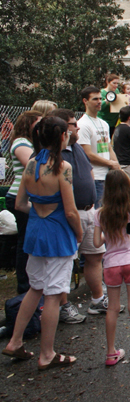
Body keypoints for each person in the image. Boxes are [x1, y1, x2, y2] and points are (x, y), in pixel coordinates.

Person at [1, 116, 81, 370]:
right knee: (54, 295)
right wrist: (78, 233)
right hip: (57, 234)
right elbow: (70, 211)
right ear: (61, 137)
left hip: (36, 231)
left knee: (34, 288)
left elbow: (19, 203)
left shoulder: (31, 165)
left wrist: (38, 212)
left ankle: (15, 341)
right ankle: (47, 353)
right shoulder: (62, 167)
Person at [52, 108, 115, 321]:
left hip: (89, 210)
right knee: (65, 261)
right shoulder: (54, 152)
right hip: (69, 214)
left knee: (95, 256)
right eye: (72, 124)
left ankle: (98, 300)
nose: (77, 127)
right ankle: (62, 306)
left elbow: (88, 172)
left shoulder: (77, 147)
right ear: (62, 127)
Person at [93, 170, 130, 368]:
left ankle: (110, 352)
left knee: (112, 309)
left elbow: (97, 241)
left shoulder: (101, 214)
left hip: (111, 264)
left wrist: (109, 235)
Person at [6, 111, 42, 293]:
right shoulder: (21, 143)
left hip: (29, 196)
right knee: (24, 242)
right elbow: (33, 163)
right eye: (38, 124)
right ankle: (24, 285)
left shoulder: (30, 143)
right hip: (19, 197)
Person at [78, 86, 121, 207]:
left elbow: (108, 147)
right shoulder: (82, 124)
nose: (99, 102)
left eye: (100, 98)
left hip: (107, 177)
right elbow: (87, 154)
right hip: (94, 177)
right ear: (85, 101)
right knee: (98, 214)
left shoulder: (104, 124)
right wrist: (110, 163)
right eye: (95, 99)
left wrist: (116, 166)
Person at [113, 106, 130, 180]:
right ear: (129, 117)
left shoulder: (117, 128)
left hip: (119, 161)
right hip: (126, 164)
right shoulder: (128, 130)